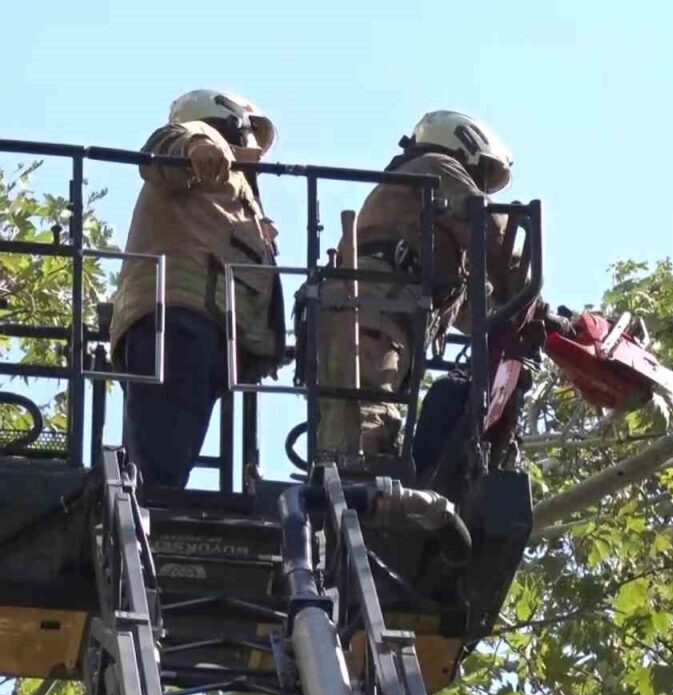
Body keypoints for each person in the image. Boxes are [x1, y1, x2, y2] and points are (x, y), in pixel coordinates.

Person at [313, 110, 525, 472]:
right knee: (362, 430)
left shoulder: (423, 219)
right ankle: (351, 487)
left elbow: (472, 313)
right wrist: (528, 294)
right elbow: (489, 229)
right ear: (464, 146)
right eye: (480, 174)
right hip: (370, 313)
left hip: (371, 311)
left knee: (363, 427)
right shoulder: (436, 166)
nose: (477, 184)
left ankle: (352, 484)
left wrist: (518, 320)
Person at [110, 90, 287, 489]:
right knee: (159, 469)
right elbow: (166, 145)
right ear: (232, 122)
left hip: (201, 330)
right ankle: (153, 507)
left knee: (166, 458)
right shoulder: (200, 141)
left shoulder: (233, 190)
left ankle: (153, 502)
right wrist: (197, 146)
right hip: (179, 323)